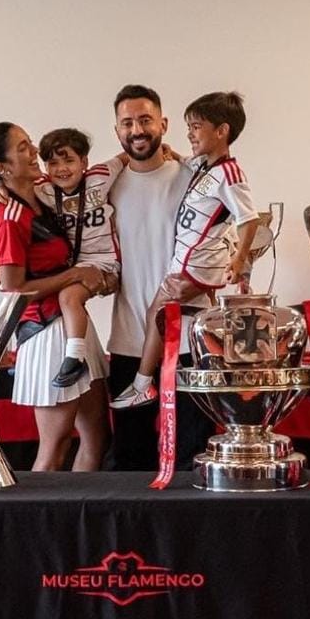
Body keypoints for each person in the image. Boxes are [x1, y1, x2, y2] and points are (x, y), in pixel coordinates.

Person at [0, 122, 111, 471]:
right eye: (24, 148)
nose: (34, 153)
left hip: (73, 326)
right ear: (3, 168)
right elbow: (13, 291)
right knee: (55, 444)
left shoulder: (43, 197)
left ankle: (78, 519)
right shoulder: (10, 216)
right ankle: (40, 524)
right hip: (45, 332)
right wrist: (74, 275)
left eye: (30, 144)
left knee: (97, 437)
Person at [110, 91, 260, 409]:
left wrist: (239, 259)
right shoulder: (200, 168)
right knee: (168, 310)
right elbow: (186, 161)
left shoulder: (226, 173)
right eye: (128, 122)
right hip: (135, 331)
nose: (190, 133)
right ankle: (142, 380)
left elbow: (249, 219)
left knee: (158, 311)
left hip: (196, 277)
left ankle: (141, 384)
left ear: (221, 131)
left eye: (196, 127)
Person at [104, 84, 215, 471]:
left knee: (190, 457)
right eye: (128, 122)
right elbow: (50, 190)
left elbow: (225, 244)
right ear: (117, 130)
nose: (137, 129)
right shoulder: (105, 185)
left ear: (163, 124)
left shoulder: (195, 177)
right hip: (128, 340)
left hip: (187, 341)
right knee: (130, 461)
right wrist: (2, 190)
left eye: (146, 119)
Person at [33, 128, 124, 388]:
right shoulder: (44, 189)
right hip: (73, 265)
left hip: (103, 261)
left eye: (69, 160)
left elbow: (126, 157)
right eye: (53, 162)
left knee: (67, 298)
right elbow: (16, 182)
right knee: (56, 298)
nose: (61, 169)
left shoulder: (100, 176)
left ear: (84, 162)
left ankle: (75, 358)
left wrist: (168, 152)